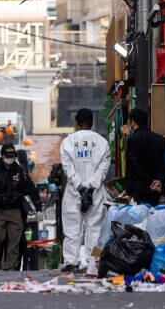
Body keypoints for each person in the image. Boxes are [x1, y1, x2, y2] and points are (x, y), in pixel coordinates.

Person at [59, 108, 111, 272]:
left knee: (72, 228)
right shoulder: (103, 143)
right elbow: (102, 171)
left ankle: (71, 262)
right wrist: (91, 188)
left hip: (73, 193)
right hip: (95, 194)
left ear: (76, 123)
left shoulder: (67, 142)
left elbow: (68, 170)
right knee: (95, 229)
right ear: (92, 123)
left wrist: (81, 187)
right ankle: (92, 263)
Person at [0, 144, 41, 271]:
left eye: (12, 157)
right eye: (7, 156)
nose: (10, 159)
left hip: (15, 210)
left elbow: (32, 190)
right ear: (2, 156)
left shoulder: (20, 171)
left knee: (14, 241)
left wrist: (38, 207)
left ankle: (10, 267)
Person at [125, 108, 165, 206]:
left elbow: (134, 166)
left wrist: (151, 182)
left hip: (138, 190)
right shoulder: (160, 139)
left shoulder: (132, 140)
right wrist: (159, 181)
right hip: (157, 190)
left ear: (133, 122)